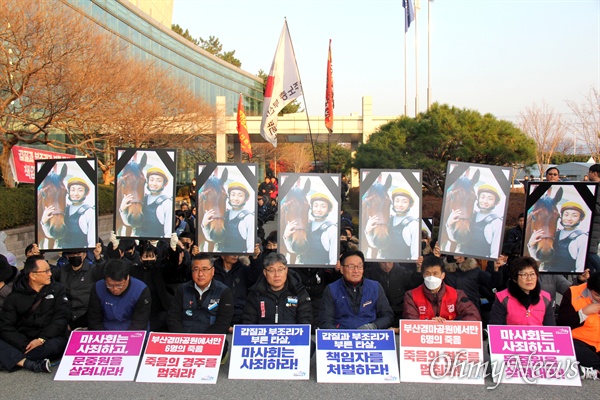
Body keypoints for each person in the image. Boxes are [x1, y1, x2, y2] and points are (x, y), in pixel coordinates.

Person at [0, 255, 70, 373]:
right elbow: (6, 325)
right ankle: (27, 363)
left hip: (48, 338)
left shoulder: (58, 289)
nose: (50, 274)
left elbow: (61, 318)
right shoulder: (15, 296)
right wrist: (24, 344)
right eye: (46, 271)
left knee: (55, 346)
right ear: (33, 275)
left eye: (50, 270)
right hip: (24, 339)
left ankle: (11, 359)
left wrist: (41, 339)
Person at [319, 250, 393, 329]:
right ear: (341, 269)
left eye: (360, 266)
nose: (356, 271)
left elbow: (387, 316)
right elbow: (326, 320)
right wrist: (340, 335)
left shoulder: (375, 287)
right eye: (351, 267)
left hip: (369, 337)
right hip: (342, 337)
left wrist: (373, 326)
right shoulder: (332, 289)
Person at [167, 253, 233, 333]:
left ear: (213, 271)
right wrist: (184, 338)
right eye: (196, 270)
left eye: (204, 269)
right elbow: (173, 319)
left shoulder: (224, 291)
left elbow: (223, 323)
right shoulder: (182, 290)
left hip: (211, 340)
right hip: (185, 339)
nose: (200, 274)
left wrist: (203, 340)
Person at [403, 256, 481, 322]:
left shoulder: (457, 295)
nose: (431, 277)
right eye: (427, 274)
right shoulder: (411, 296)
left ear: (443, 275)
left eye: (435, 273)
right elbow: (410, 320)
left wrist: (449, 325)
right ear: (423, 275)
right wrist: (429, 323)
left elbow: (473, 316)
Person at [243, 253, 312, 325]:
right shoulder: (255, 294)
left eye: (280, 269)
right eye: (272, 270)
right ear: (265, 272)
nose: (277, 275)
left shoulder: (299, 292)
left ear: (286, 270)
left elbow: (305, 321)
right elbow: (248, 323)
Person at [557, 271, 600, 380]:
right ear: (589, 288)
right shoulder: (573, 293)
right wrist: (583, 312)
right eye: (597, 295)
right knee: (569, 347)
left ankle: (593, 369)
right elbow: (562, 324)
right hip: (579, 341)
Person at [87, 259, 151, 330]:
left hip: (132, 331)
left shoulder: (141, 290)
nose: (114, 289)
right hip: (106, 332)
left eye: (119, 285)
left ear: (127, 278)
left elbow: (139, 323)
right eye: (109, 285)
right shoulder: (97, 288)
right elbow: (94, 320)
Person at [489, 257, 555, 326]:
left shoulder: (545, 298)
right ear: (514, 278)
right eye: (524, 275)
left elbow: (551, 328)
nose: (529, 278)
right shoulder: (503, 298)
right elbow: (495, 328)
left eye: (532, 274)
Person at [51, 246, 104, 330]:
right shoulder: (62, 271)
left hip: (86, 317)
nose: (75, 256)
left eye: (78, 253)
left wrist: (98, 257)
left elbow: (104, 273)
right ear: (67, 256)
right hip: (66, 316)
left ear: (84, 255)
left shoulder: (93, 270)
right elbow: (45, 273)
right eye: (72, 254)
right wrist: (36, 257)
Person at [528, 201, 588, 272]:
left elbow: (581, 267)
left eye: (574, 215)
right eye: (566, 214)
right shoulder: (555, 234)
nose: (569, 218)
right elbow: (539, 259)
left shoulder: (582, 238)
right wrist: (531, 245)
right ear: (561, 216)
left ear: (581, 219)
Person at [447, 184, 503, 258]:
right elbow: (455, 239)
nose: (485, 201)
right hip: (463, 259)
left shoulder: (496, 223)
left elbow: (495, 252)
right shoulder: (471, 216)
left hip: (480, 262)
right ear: (478, 198)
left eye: (490, 199)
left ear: (495, 202)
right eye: (482, 197)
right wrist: (449, 224)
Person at [364, 261, 423, 332]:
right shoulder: (370, 273)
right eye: (383, 263)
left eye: (389, 262)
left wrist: (419, 271)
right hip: (379, 314)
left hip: (399, 313)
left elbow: (415, 284)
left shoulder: (403, 272)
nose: (387, 265)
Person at [283, 192, 338, 265]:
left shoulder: (332, 230)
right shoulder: (307, 226)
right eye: (316, 205)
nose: (318, 209)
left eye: (323, 206)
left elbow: (334, 260)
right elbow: (294, 251)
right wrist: (286, 236)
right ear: (311, 208)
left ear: (329, 209)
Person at [40, 176, 95, 248]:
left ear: (86, 193)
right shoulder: (64, 211)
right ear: (69, 192)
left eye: (80, 190)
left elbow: (92, 242)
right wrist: (44, 222)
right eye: (73, 190)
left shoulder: (89, 213)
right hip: (64, 254)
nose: (75, 193)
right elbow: (52, 235)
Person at [213, 252, 263, 329]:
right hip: (216, 311)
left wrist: (255, 258)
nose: (235, 255)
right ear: (222, 255)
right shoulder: (213, 271)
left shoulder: (243, 269)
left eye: (236, 252)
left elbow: (255, 278)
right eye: (231, 252)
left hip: (239, 312)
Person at [365, 188, 419, 260]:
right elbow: (376, 245)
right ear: (393, 203)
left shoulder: (413, 225)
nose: (400, 205)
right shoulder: (388, 221)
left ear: (410, 205)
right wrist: (367, 231)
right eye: (397, 201)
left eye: (404, 202)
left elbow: (415, 255)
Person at [120, 166, 172, 238]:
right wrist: (122, 209)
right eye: (151, 180)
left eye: (159, 181)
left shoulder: (167, 203)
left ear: (164, 184)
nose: (154, 183)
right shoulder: (142, 200)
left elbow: (168, 233)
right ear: (147, 182)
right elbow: (130, 223)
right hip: (139, 244)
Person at [203, 181, 254, 253]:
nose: (236, 198)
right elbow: (212, 239)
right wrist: (204, 225)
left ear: (245, 199)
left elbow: (251, 247)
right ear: (229, 197)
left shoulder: (249, 218)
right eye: (233, 195)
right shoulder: (224, 215)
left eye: (240, 195)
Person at [586, 163, 600, 273]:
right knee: (587, 260)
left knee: (590, 252)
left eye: (589, 172)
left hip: (594, 225)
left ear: (595, 173)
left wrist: (586, 202)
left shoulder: (597, 189)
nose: (588, 175)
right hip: (592, 225)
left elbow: (597, 208)